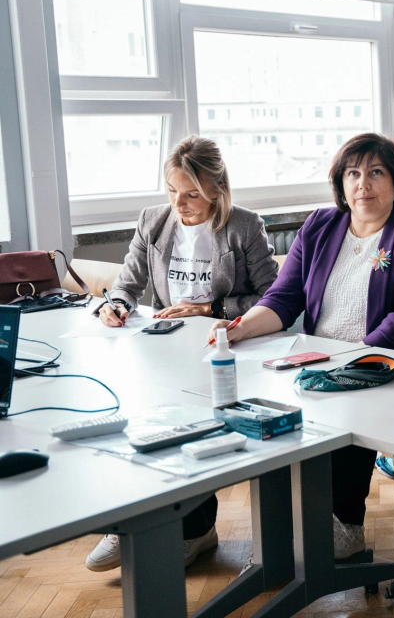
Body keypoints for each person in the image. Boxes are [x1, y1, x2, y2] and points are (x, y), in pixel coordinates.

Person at [206, 133, 394, 562]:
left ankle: (345, 524)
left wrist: (347, 357)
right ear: (340, 183)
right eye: (353, 173)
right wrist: (241, 328)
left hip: (385, 367)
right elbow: (283, 297)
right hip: (320, 363)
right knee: (262, 404)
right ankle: (289, 521)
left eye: (376, 173)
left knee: (346, 406)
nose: (363, 184)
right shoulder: (319, 226)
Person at [86, 136, 279, 572]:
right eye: (173, 191)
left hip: (223, 344)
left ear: (217, 187)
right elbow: (127, 283)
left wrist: (212, 308)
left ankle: (195, 531)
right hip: (165, 346)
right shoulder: (153, 221)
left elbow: (273, 296)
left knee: (199, 431)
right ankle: (130, 525)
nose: (181, 202)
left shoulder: (244, 225)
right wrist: (115, 304)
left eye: (192, 193)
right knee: (148, 429)